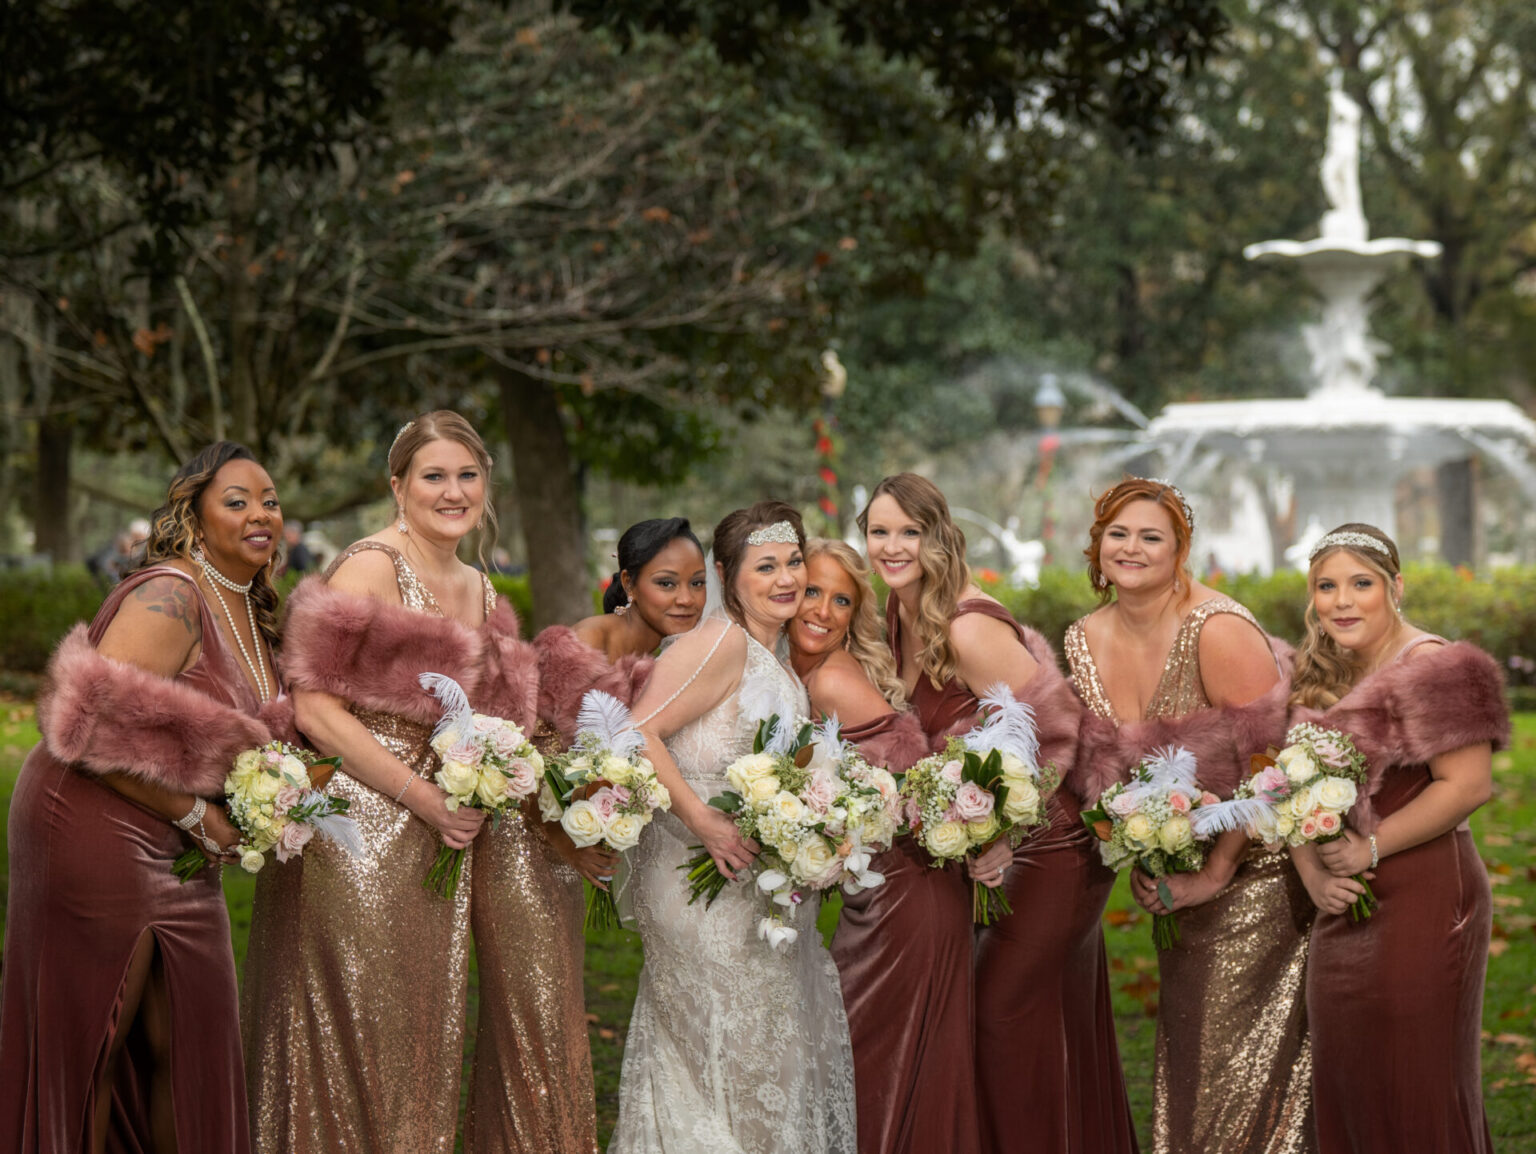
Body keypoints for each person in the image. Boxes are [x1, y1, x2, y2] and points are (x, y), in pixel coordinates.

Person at [243, 411, 539, 1153]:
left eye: (467, 476)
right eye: (434, 476)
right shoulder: (370, 566)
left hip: (440, 838)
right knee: (357, 1023)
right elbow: (314, 706)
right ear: (398, 485)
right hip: (357, 829)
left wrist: (492, 779)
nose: (453, 491)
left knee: (420, 1027)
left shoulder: (484, 588)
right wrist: (425, 798)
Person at [0, 442, 286, 1154]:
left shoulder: (249, 608)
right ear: (192, 516)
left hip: (178, 842)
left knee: (187, 1042)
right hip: (92, 821)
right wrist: (197, 813)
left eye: (271, 500)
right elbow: (80, 726)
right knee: (100, 1037)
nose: (261, 514)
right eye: (237, 500)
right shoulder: (173, 595)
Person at [864, 472, 1136, 1154]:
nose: (892, 546)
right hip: (993, 841)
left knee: (999, 1014)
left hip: (1053, 846)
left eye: (909, 531)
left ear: (938, 536)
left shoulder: (967, 626)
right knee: (1018, 1019)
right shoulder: (899, 612)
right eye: (878, 531)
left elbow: (1059, 730)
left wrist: (1006, 835)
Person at [1064, 477, 1311, 1154]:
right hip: (1178, 881)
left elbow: (1275, 766)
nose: (1132, 548)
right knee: (1192, 1061)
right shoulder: (1082, 639)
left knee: (1236, 1073)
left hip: (1256, 875)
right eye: (1119, 533)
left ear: (1181, 550)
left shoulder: (1218, 629)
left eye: (1152, 536)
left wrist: (1218, 871)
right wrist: (1140, 847)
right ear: (1098, 544)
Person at [609, 501, 855, 1153]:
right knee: (726, 1063)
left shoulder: (777, 664)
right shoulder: (718, 642)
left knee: (759, 1067)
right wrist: (706, 822)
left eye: (794, 561)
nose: (785, 578)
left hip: (755, 894)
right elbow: (636, 733)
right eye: (766, 565)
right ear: (727, 574)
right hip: (701, 891)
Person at [462, 518, 704, 1154]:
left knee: (550, 1016)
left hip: (580, 847)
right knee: (536, 1016)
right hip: (523, 845)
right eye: (667, 582)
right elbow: (521, 756)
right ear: (627, 582)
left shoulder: (677, 658)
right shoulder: (577, 649)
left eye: (699, 583)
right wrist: (562, 838)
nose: (686, 598)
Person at [1289, 524, 1506, 1154]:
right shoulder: (1323, 673)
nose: (1342, 601)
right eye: (1326, 586)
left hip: (1426, 896)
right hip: (1342, 902)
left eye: (1362, 583)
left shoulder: (1434, 665)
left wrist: (1368, 849)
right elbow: (1289, 789)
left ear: (1396, 587)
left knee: (1414, 1080)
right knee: (1347, 1073)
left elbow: (1466, 786)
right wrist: (1314, 875)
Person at [784, 538, 946, 1154]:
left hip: (901, 895)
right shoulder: (792, 670)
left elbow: (907, 796)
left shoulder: (832, 679)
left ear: (856, 616)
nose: (821, 611)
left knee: (867, 1057)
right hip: (870, 890)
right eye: (811, 592)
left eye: (841, 600)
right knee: (860, 1057)